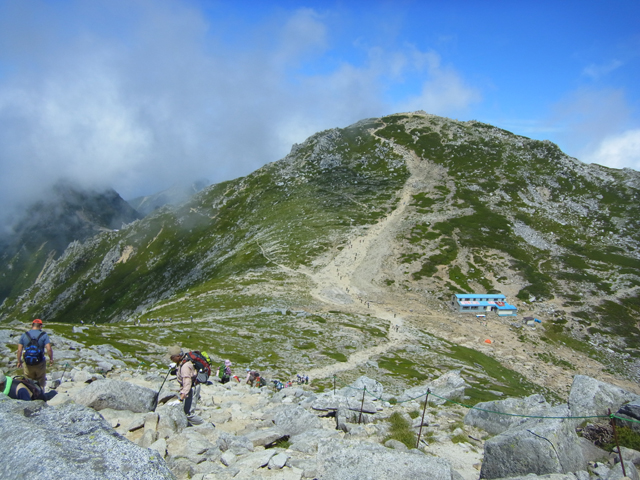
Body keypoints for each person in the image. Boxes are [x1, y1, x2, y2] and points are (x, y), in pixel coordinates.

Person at [168, 346, 202, 423]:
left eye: (172, 357)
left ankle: (207, 426)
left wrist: (181, 398)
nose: (171, 359)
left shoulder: (185, 366)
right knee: (186, 410)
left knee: (189, 413)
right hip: (190, 387)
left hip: (192, 388)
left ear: (178, 356)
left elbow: (187, 383)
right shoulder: (183, 360)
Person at [16, 319, 53, 389]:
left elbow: (19, 350)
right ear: (41, 326)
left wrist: (19, 361)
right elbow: (49, 349)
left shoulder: (24, 335)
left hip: (27, 363)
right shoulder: (44, 335)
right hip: (40, 362)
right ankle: (41, 395)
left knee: (28, 380)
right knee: (41, 380)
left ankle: (30, 395)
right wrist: (51, 359)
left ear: (31, 325)